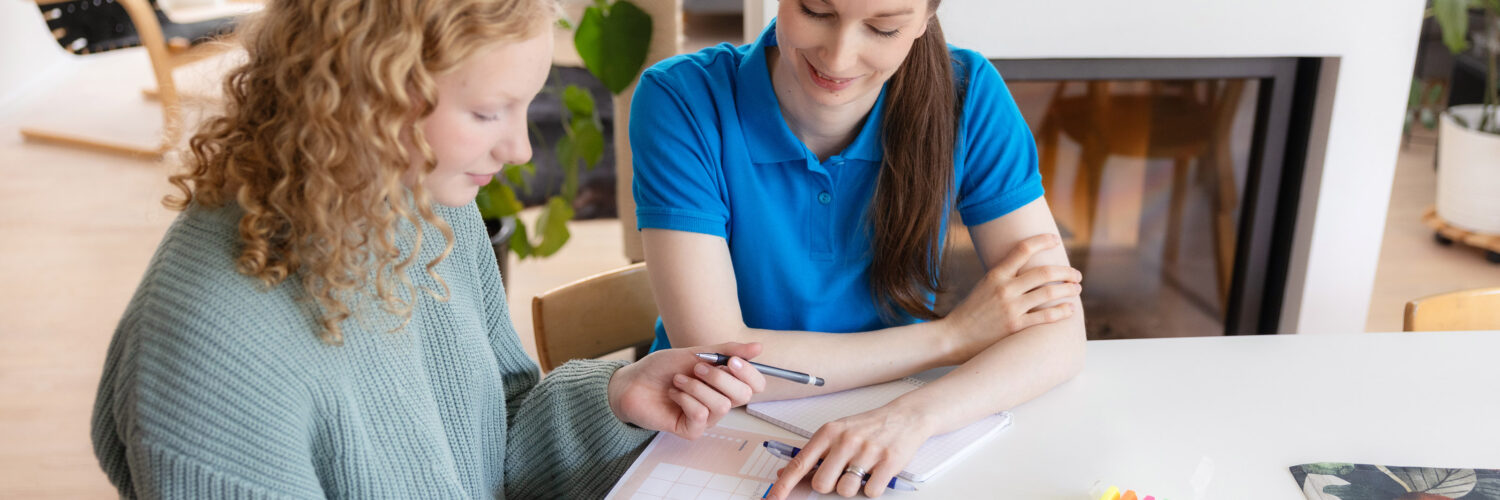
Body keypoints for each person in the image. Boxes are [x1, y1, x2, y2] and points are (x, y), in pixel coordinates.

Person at [89, 0, 767, 497]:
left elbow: (492, 442)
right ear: (368, 91)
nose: (520, 149)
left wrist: (617, 396)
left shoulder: (422, 203)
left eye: (525, 105)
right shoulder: (212, 348)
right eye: (487, 113)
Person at [629, 0, 1087, 497]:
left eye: (883, 28)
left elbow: (1058, 332)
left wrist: (912, 417)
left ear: (926, 18)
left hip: (891, 423)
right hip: (706, 428)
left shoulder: (967, 93)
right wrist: (953, 337)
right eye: (816, 11)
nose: (839, 57)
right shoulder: (681, 98)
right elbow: (715, 359)